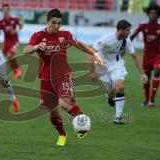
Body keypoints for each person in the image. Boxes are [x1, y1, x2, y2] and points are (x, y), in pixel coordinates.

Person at [23, 8, 103, 146]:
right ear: (47, 21)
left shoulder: (65, 34)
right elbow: (26, 51)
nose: (56, 26)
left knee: (64, 103)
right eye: (53, 23)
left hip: (63, 75)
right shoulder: (38, 35)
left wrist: (94, 54)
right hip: (46, 77)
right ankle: (62, 135)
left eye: (59, 23)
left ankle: (82, 122)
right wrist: (37, 46)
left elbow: (79, 44)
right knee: (53, 112)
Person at [88, 20, 148, 124]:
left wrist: (142, 73)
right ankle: (110, 96)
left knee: (120, 87)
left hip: (116, 65)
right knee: (111, 92)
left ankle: (118, 117)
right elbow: (90, 53)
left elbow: (134, 56)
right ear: (120, 30)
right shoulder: (106, 39)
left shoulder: (127, 40)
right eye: (128, 30)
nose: (130, 33)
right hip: (102, 66)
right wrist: (92, 72)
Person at [130, 4, 160, 107]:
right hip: (147, 55)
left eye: (155, 13)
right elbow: (133, 35)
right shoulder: (142, 25)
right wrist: (124, 44)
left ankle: (152, 100)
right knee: (146, 77)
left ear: (158, 15)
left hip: (159, 54)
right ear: (148, 14)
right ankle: (146, 99)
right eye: (151, 13)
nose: (153, 15)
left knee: (158, 71)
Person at [0, 3, 23, 80]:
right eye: (4, 10)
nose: (5, 11)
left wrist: (16, 30)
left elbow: (21, 26)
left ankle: (11, 72)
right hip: (6, 42)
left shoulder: (14, 19)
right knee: (2, 57)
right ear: (2, 11)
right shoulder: (0, 22)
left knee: (9, 55)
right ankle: (17, 71)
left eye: (6, 9)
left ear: (9, 10)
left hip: (14, 41)